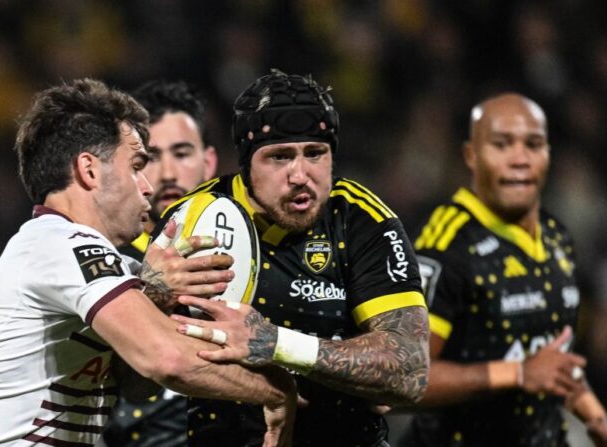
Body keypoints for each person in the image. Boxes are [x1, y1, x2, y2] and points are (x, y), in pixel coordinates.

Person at [0, 78, 297, 447]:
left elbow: (137, 385)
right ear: (89, 170)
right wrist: (276, 391)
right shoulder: (61, 242)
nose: (148, 186)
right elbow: (165, 359)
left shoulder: (84, 258)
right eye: (136, 165)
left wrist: (155, 296)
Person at [164, 69, 430, 446]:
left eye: (315, 154)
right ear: (246, 164)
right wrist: (154, 289)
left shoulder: (363, 220)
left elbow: (411, 370)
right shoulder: (195, 220)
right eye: (279, 157)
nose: (300, 174)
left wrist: (274, 343)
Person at [399, 93, 607, 446]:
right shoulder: (445, 245)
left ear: (548, 154)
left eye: (532, 144)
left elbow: (552, 362)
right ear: (471, 155)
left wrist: (598, 421)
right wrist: (518, 374)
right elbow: (406, 379)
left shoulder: (556, 238)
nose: (519, 158)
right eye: (502, 145)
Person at [100, 80, 217, 447]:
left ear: (209, 162)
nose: (167, 173)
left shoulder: (250, 252)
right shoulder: (101, 258)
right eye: (150, 158)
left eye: (181, 153)